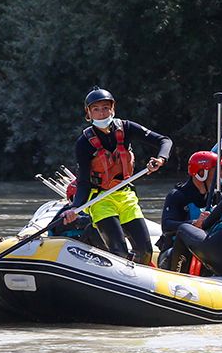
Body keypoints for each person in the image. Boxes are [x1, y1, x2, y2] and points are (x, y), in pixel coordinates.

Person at [63, 87, 171, 265]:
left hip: (126, 195)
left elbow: (164, 140)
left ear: (113, 109)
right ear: (88, 114)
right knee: (119, 251)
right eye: (96, 109)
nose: (101, 113)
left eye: (105, 108)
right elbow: (83, 182)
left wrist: (160, 159)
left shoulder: (126, 128)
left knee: (145, 251)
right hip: (99, 199)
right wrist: (75, 208)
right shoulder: (84, 143)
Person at [157, 151, 222, 273]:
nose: (219, 177)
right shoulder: (177, 195)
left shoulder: (216, 196)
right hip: (174, 252)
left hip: (202, 251)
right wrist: (194, 224)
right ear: (201, 173)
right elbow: (166, 226)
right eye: (215, 172)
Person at [46, 179, 106, 250]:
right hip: (66, 248)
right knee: (93, 227)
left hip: (82, 245)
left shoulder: (94, 209)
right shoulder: (66, 212)